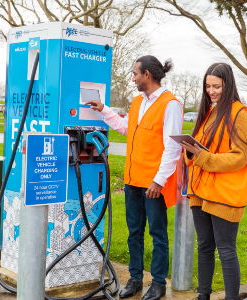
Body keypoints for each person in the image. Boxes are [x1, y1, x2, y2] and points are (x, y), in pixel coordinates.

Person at [85, 55, 183, 300]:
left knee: (158, 234)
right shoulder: (138, 102)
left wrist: (158, 181)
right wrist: (104, 110)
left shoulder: (170, 105)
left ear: (147, 75)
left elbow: (172, 148)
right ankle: (136, 279)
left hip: (153, 184)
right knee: (134, 233)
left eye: (135, 74)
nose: (133, 78)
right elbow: (129, 129)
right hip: (132, 180)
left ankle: (158, 283)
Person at [179, 63, 247, 300]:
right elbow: (198, 152)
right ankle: (203, 296)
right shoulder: (209, 112)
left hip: (225, 193)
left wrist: (203, 157)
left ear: (228, 84)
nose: (211, 91)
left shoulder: (239, 113)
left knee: (226, 250)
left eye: (217, 86)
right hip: (200, 191)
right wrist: (189, 150)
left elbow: (240, 156)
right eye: (208, 86)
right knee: (204, 247)